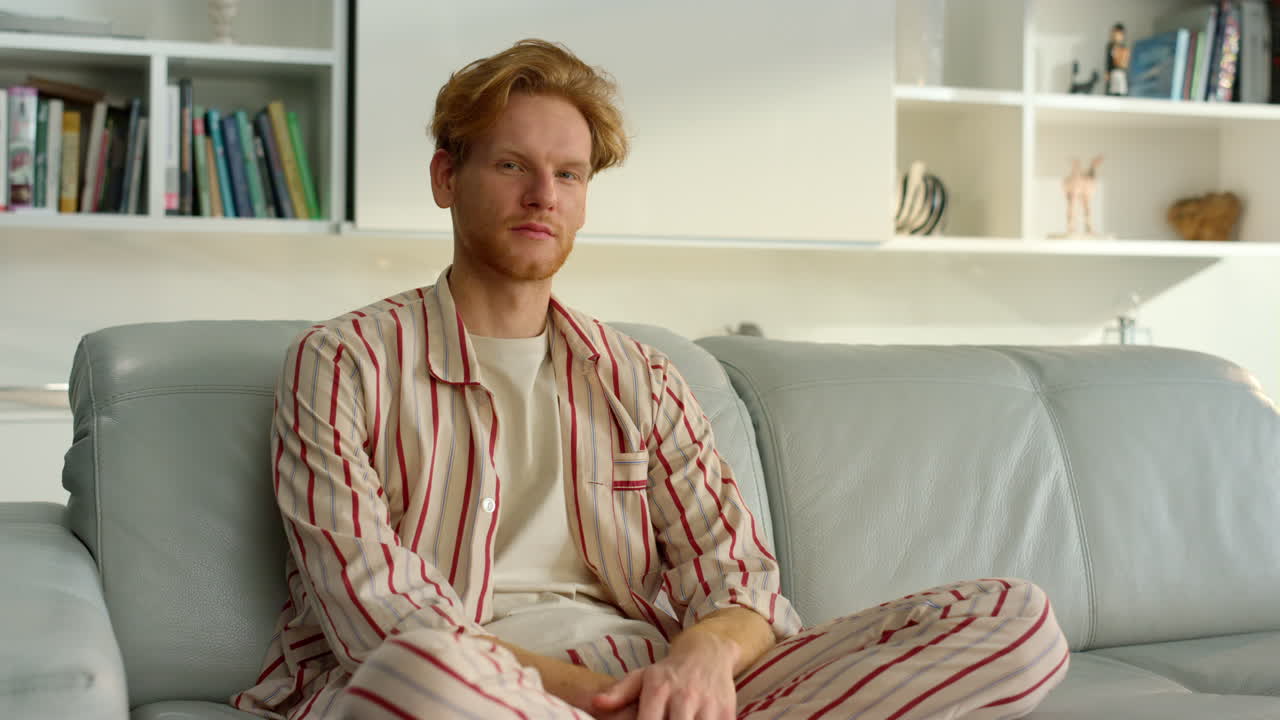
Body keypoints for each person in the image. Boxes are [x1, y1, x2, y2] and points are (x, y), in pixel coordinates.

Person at [232, 39, 1069, 720]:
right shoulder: (345, 362)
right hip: (476, 689)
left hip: (663, 689)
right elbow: (374, 616)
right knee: (415, 671)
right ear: (447, 178)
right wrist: (599, 699)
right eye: (511, 167)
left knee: (1017, 622)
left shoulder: (641, 379)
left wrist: (701, 660)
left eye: (568, 175)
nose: (543, 196)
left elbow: (742, 587)